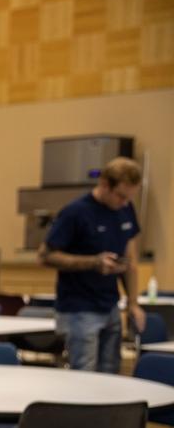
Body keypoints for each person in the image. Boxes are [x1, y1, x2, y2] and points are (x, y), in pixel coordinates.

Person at [39, 156, 145, 373]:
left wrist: (133, 303)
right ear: (104, 184)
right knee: (84, 376)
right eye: (121, 196)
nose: (124, 203)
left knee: (110, 374)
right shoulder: (76, 212)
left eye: (129, 197)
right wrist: (93, 262)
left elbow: (130, 259)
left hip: (110, 306)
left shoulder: (125, 209)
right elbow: (45, 256)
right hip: (79, 309)